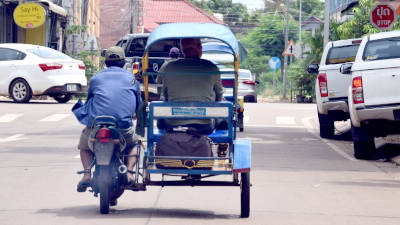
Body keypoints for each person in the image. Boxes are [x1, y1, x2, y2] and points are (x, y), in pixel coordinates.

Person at [72, 46, 142, 193]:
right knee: (135, 143)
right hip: (122, 127)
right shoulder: (131, 79)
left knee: (84, 146)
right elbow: (138, 104)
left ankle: (86, 175)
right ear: (124, 63)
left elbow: (90, 99)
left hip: (97, 126)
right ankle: (129, 173)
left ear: (106, 62)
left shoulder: (96, 78)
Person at [158, 38, 223, 134]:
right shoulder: (211, 67)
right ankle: (223, 145)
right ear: (200, 48)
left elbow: (165, 96)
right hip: (204, 126)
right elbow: (219, 98)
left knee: (161, 120)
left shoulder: (169, 67)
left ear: (183, 50)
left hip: (174, 124)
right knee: (223, 119)